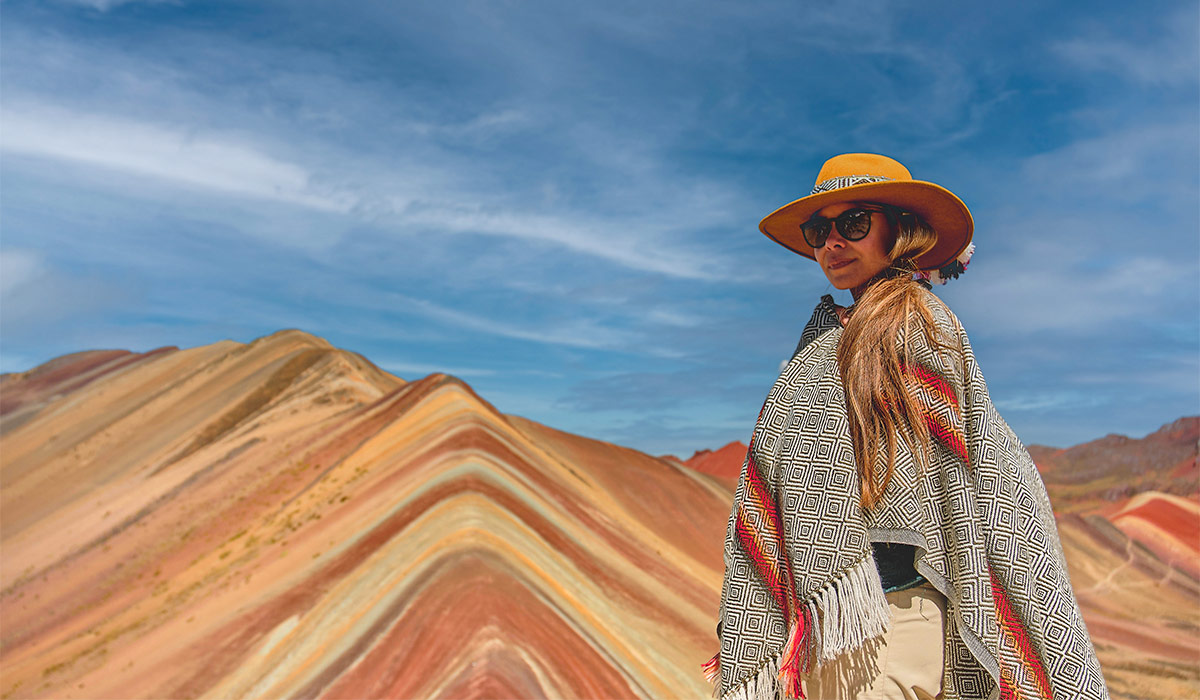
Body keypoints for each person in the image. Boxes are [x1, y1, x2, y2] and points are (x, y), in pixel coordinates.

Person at [703, 154, 1108, 700]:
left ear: (899, 228)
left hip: (894, 624)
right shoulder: (825, 341)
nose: (832, 244)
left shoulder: (918, 325)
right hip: (830, 634)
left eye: (852, 224)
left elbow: (951, 474)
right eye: (819, 230)